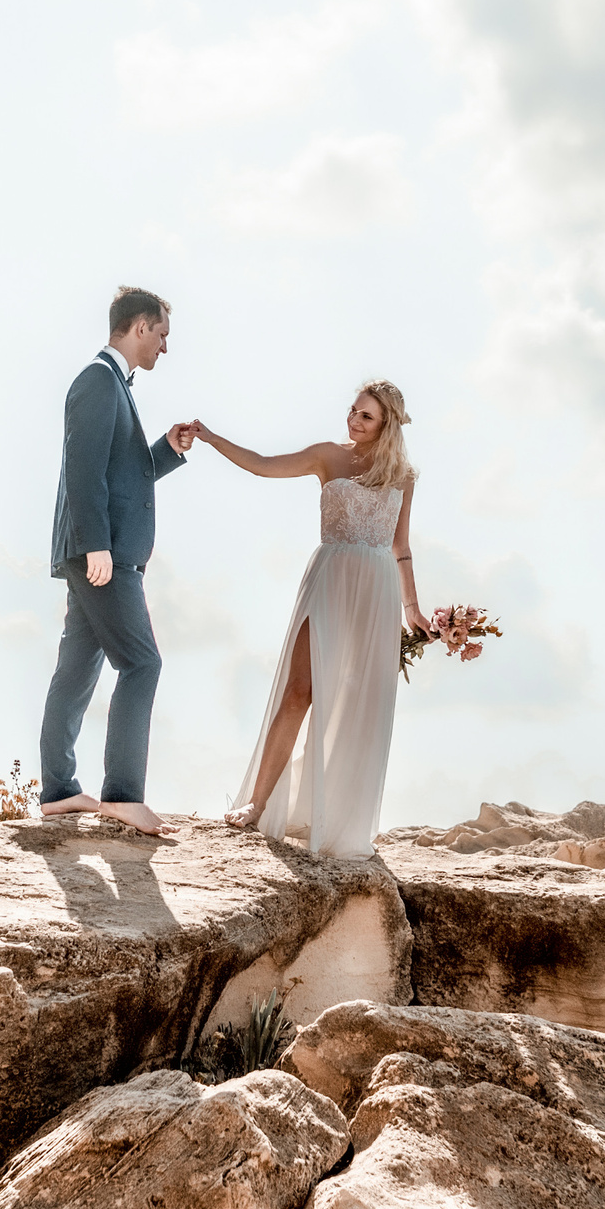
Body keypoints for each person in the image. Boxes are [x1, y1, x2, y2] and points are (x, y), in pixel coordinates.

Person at [185, 382, 428, 858]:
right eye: (353, 411)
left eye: (366, 417)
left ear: (387, 425)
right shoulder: (325, 456)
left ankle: (340, 821)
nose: (353, 422)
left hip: (376, 589)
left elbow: (400, 547)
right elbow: (263, 464)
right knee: (300, 691)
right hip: (331, 577)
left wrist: (412, 609)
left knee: (360, 704)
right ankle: (256, 803)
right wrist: (213, 439)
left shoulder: (403, 476)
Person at [38, 287, 195, 836]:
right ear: (139, 327)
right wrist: (97, 544)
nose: (165, 349)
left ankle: (57, 791)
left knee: (78, 667)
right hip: (102, 555)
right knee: (142, 663)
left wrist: (166, 451)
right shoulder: (97, 381)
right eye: (162, 336)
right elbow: (83, 471)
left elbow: (121, 474)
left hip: (98, 551)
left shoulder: (113, 386)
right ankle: (124, 795)